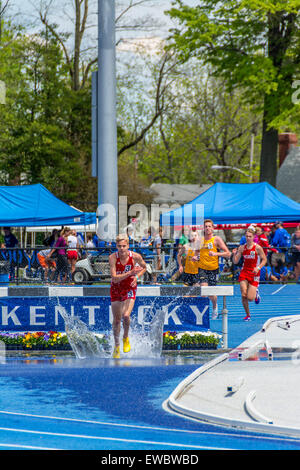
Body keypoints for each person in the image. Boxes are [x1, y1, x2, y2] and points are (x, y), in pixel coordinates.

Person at [109, 234, 147, 359]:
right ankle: (117, 346)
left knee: (126, 315)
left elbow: (144, 267)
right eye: (119, 246)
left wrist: (136, 277)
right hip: (116, 288)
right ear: (116, 246)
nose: (122, 249)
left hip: (129, 288)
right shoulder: (113, 258)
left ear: (128, 246)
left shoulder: (135, 256)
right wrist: (130, 273)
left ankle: (125, 337)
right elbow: (114, 278)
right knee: (116, 320)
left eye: (124, 246)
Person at [195, 219, 231, 319]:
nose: (207, 228)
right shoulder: (200, 240)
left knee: (211, 293)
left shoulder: (217, 239)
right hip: (202, 268)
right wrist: (195, 257)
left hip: (213, 269)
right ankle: (203, 315)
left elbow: (228, 253)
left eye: (209, 226)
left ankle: (214, 306)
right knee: (204, 292)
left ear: (213, 228)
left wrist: (216, 253)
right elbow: (196, 252)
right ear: (203, 228)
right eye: (206, 226)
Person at [233, 227, 267, 321]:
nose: (248, 238)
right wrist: (234, 254)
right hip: (244, 272)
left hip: (254, 273)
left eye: (250, 236)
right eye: (247, 236)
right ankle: (248, 315)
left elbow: (264, 260)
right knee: (243, 295)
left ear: (253, 237)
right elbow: (235, 261)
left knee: (250, 298)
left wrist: (258, 267)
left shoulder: (257, 248)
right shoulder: (242, 247)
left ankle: (255, 294)